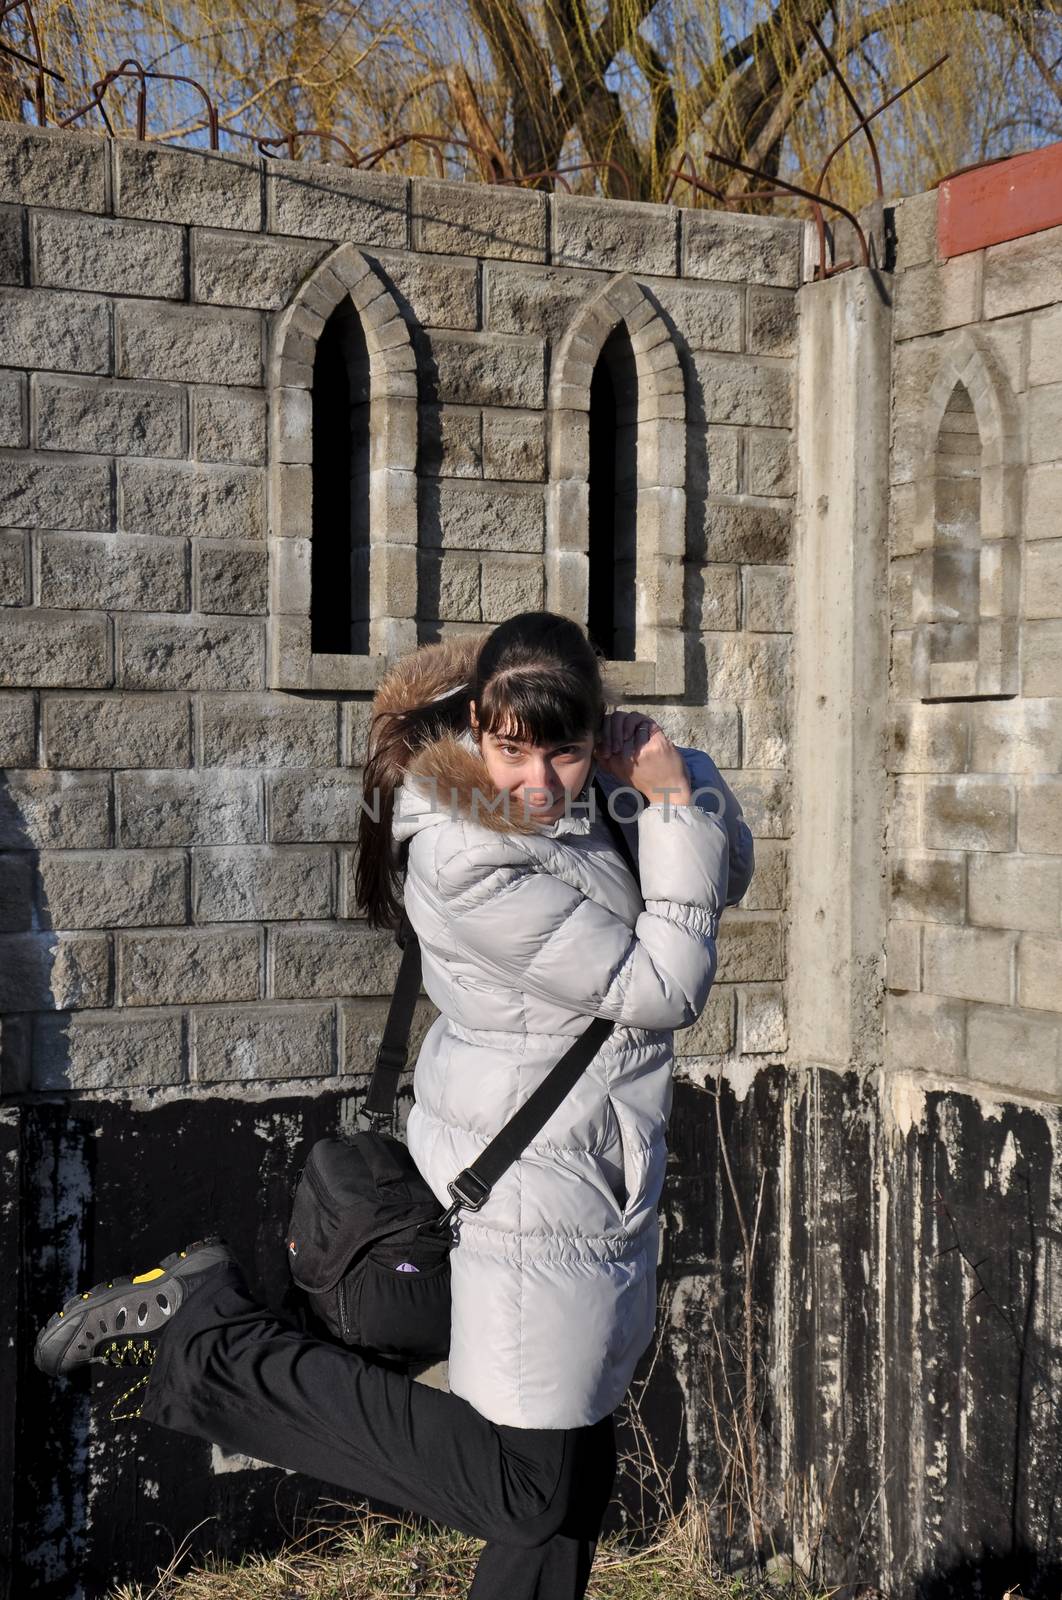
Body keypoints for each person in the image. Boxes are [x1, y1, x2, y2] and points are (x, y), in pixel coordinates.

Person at [34, 610, 754, 1600]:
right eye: (514, 750)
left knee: (572, 1483)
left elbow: (725, 872)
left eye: (568, 751)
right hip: (533, 1186)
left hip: (591, 1171)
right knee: (530, 1490)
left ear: (598, 731)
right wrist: (667, 804)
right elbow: (663, 986)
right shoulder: (470, 852)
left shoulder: (574, 801)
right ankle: (211, 1342)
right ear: (483, 725)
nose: (538, 780)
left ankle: (216, 1341)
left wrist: (674, 772)